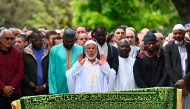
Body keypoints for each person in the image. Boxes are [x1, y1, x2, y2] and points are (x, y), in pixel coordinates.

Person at [48, 28, 83, 94]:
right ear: (63, 38)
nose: (69, 43)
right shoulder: (55, 50)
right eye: (67, 41)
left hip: (76, 87)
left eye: (71, 41)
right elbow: (52, 71)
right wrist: (53, 91)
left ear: (74, 40)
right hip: (59, 85)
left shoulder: (80, 49)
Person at [165, 24, 190, 109]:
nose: (177, 36)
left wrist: (185, 80)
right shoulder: (168, 47)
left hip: (188, 83)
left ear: (184, 34)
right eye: (175, 34)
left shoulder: (189, 47)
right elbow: (168, 67)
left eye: (179, 33)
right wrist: (181, 85)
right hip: (175, 84)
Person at [0, 29, 24, 109]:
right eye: (7, 38)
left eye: (11, 38)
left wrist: (10, 88)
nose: (9, 41)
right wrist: (3, 87)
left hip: (14, 92)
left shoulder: (17, 53)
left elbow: (20, 72)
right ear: (1, 39)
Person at [21, 31, 49, 96]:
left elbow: (51, 71)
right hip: (29, 91)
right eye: (35, 40)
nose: (39, 42)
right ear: (30, 40)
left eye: (41, 40)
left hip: (45, 90)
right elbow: (22, 72)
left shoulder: (48, 52)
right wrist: (33, 86)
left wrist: (44, 86)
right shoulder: (24, 53)